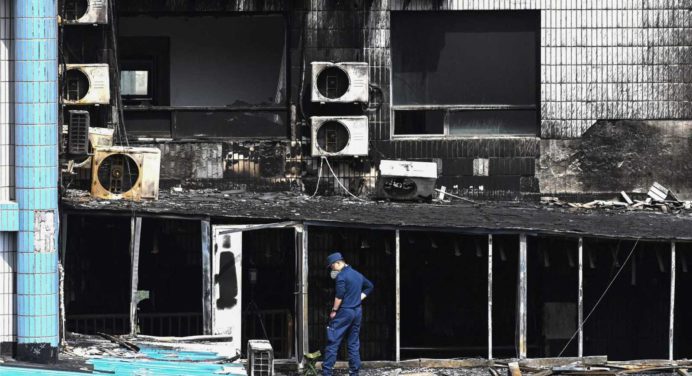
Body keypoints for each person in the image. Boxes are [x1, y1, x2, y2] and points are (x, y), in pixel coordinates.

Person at [322, 252, 374, 376]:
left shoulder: (341, 276)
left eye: (332, 266)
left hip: (345, 311)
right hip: (357, 312)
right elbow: (370, 286)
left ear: (338, 263)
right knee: (353, 343)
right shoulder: (357, 274)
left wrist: (334, 311)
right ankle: (354, 372)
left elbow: (339, 296)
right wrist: (358, 298)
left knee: (333, 340)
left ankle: (327, 372)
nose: (332, 269)